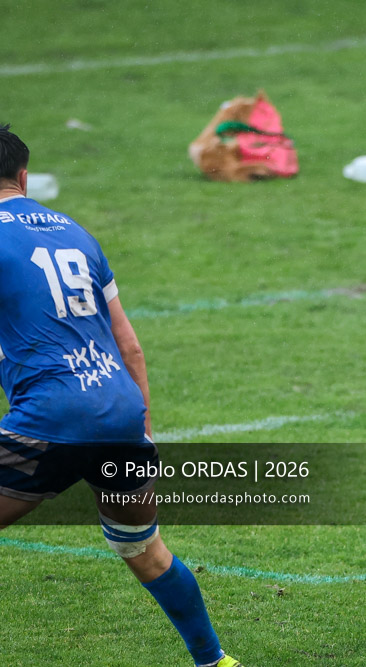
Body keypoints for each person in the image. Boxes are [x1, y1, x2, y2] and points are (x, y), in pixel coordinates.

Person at [0, 124, 242, 667]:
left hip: (52, 415)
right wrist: (143, 432)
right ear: (24, 176)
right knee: (140, 547)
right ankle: (213, 659)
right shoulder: (76, 232)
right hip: (120, 412)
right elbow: (129, 346)